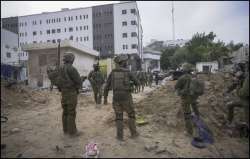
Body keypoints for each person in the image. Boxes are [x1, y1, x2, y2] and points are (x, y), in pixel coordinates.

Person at [103, 54, 139, 141]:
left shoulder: (112, 73)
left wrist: (105, 98)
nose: (126, 63)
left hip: (116, 98)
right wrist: (131, 84)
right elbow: (137, 82)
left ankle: (120, 137)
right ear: (122, 63)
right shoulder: (127, 72)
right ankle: (133, 133)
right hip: (126, 97)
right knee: (131, 115)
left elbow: (106, 86)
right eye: (125, 62)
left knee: (119, 117)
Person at [175, 63, 204, 137]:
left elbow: (176, 87)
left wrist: (180, 92)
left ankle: (189, 132)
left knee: (187, 114)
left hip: (186, 98)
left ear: (184, 69)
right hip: (194, 97)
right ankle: (197, 124)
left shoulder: (182, 78)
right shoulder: (194, 76)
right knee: (196, 111)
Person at [59, 53, 82, 136]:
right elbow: (78, 81)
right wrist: (79, 85)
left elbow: (58, 81)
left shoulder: (60, 68)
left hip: (63, 93)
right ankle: (72, 132)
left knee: (65, 112)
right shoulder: (71, 69)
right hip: (71, 93)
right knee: (71, 112)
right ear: (71, 59)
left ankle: (65, 130)